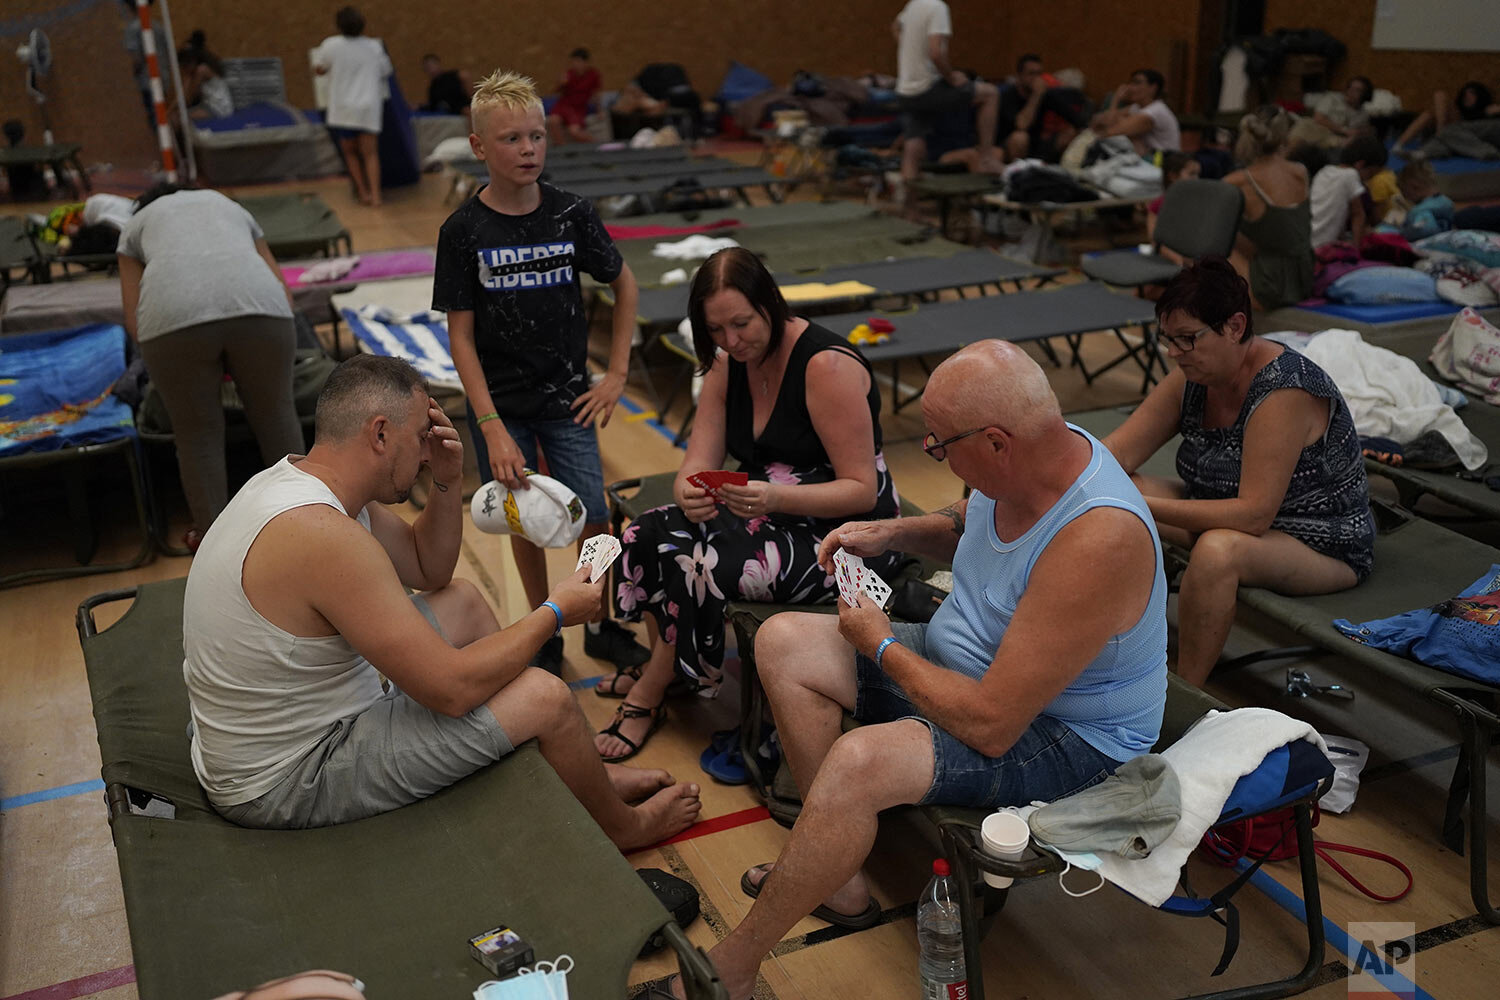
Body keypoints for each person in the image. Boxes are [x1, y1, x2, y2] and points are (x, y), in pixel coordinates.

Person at [655, 340, 1166, 999]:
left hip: (1061, 734)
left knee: (858, 763)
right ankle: (836, 876)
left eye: (938, 444)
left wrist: (882, 646)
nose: (932, 453)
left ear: (997, 442)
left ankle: (732, 969)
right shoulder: (1043, 450)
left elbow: (991, 725)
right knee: (783, 642)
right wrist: (893, 531)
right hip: (975, 668)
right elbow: (969, 517)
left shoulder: (1096, 539)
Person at [182, 354, 701, 848]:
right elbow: (449, 691)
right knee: (545, 696)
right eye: (421, 439)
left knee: (466, 602)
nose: (428, 452)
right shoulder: (323, 533)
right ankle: (624, 828)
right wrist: (556, 612)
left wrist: (449, 482)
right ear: (380, 434)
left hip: (272, 731)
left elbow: (429, 568)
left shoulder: (302, 483)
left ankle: (585, 766)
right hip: (289, 777)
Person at [597, 248, 903, 762]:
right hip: (767, 511)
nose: (731, 341)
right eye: (716, 330)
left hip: (845, 536)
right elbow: (697, 459)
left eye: (741, 324)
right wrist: (688, 492)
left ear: (770, 303)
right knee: (646, 533)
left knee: (697, 558)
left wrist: (775, 494)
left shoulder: (825, 366)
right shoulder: (726, 363)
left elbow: (862, 491)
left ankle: (655, 684)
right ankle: (669, 665)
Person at [432, 69, 648, 675]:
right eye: (511, 140)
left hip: (568, 400)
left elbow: (623, 284)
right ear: (479, 147)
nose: (528, 150)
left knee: (596, 513)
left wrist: (616, 373)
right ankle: (544, 627)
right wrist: (491, 425)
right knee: (525, 520)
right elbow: (461, 337)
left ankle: (599, 621)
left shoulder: (571, 213)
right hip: (500, 406)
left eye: (537, 137)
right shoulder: (464, 231)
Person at [1102, 258, 1373, 686]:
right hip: (1223, 514)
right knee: (1108, 492)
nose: (1175, 353)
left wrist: (1133, 502)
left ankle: (1184, 693)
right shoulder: (1194, 374)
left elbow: (1252, 516)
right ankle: (1103, 645)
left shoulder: (1283, 389)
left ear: (1234, 326)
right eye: (1169, 340)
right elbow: (1116, 452)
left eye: (1188, 339)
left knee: (1216, 552)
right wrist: (1057, 471)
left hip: (1319, 541)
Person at [117, 182, 305, 553]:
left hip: (172, 319)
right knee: (278, 418)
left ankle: (217, 550)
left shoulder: (135, 225)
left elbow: (135, 321)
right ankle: (305, 526)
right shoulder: (229, 205)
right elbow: (283, 293)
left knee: (197, 438)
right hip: (261, 306)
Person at [892, 0, 1004, 187]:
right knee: (990, 94)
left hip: (905, 91)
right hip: (927, 88)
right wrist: (951, 77)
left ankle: (910, 209)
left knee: (913, 144)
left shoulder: (913, 5)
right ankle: (986, 158)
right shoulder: (938, 8)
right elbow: (936, 53)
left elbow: (895, 27)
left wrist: (909, 50)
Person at [1223, 106, 1314, 311]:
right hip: (1304, 277)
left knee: (1211, 244)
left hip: (1269, 285)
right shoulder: (1300, 172)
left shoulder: (1238, 182)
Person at [312, 7, 391, 207]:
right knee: (370, 153)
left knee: (350, 152)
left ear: (339, 26)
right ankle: (376, 195)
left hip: (343, 107)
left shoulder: (330, 45)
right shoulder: (373, 46)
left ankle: (363, 192)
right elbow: (385, 70)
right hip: (367, 106)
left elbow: (319, 69)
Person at [998, 53, 1085, 163]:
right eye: (1031, 74)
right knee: (1020, 138)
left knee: (1071, 133)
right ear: (1019, 76)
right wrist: (1036, 96)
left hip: (1037, 143)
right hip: (1009, 145)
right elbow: (1021, 125)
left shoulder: (1045, 94)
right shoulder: (1008, 95)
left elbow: (1076, 119)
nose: (1036, 78)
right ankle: (1018, 172)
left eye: (1039, 74)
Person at [1308, 134, 1387, 248]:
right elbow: (1358, 215)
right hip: (1323, 245)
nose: (1367, 180)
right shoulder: (1351, 175)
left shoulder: (1324, 172)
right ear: (1360, 165)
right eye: (1370, 174)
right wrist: (1356, 248)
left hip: (1308, 240)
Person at [1091, 68, 1181, 155]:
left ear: (1153, 88)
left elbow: (1110, 133)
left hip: (1165, 160)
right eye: (1131, 83)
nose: (1130, 88)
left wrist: (1115, 100)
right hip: (1151, 156)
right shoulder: (1137, 107)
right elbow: (1097, 120)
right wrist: (1117, 119)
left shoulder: (1154, 112)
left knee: (1124, 140)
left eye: (1137, 83)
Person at [1395, 81, 1500, 150]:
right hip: (1449, 125)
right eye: (1466, 93)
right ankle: (1399, 145)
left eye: (1472, 93)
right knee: (1430, 113)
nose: (1467, 96)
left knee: (1437, 99)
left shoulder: (1487, 108)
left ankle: (1440, 134)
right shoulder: (1459, 109)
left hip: (1463, 129)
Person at [1288, 76, 1373, 151]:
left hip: (1337, 138)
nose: (1351, 92)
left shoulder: (1363, 114)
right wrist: (1344, 130)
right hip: (1318, 129)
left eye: (1357, 90)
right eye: (1350, 88)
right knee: (1304, 125)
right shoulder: (1332, 98)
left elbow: (1362, 132)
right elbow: (1319, 118)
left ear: (1365, 94)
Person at [1145, 151, 1201, 255]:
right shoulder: (1159, 204)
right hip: (1169, 254)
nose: (1197, 179)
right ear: (1173, 176)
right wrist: (1176, 258)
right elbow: (1153, 239)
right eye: (1192, 174)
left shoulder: (1199, 202)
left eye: (1198, 174)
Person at [548, 48, 601, 145]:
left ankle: (598, 145)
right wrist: (561, 83)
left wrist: (599, 110)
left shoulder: (593, 75)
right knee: (553, 121)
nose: (575, 65)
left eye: (578, 62)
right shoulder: (568, 74)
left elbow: (596, 94)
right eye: (574, 62)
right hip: (563, 105)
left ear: (586, 63)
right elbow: (555, 91)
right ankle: (563, 149)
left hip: (577, 108)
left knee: (574, 132)